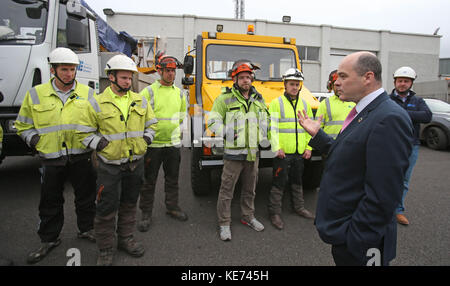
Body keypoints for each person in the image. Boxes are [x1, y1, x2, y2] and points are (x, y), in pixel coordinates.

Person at [297, 51, 413, 266]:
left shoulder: (388, 118)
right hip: (348, 233)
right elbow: (351, 156)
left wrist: (356, 238)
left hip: (362, 242)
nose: (336, 82)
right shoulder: (366, 111)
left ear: (367, 77)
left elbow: (384, 195)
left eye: (343, 76)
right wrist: (319, 135)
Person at [15, 47, 97, 264]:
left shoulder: (88, 94)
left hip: (81, 156)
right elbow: (22, 125)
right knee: (50, 201)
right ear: (53, 70)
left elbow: (99, 123)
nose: (69, 74)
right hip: (51, 158)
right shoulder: (35, 94)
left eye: (72, 69)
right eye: (64, 69)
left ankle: (87, 229)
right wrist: (35, 140)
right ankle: (49, 239)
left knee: (86, 197)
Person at [78, 54, 157, 266]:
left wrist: (146, 140)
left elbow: (152, 124)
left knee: (130, 204)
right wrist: (101, 145)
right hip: (109, 166)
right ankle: (105, 249)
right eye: (123, 78)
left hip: (135, 164)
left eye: (129, 78)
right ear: (111, 77)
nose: (128, 82)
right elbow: (83, 133)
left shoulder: (140, 100)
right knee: (106, 208)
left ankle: (126, 239)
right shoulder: (97, 102)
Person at [208, 59, 269, 241]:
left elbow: (265, 120)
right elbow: (213, 121)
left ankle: (247, 217)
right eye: (241, 77)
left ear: (252, 79)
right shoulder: (224, 98)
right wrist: (226, 132)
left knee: (250, 189)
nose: (245, 80)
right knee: (227, 190)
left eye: (248, 77)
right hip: (233, 155)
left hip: (253, 153)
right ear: (235, 79)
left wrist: (264, 136)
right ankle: (224, 223)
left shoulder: (259, 99)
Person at [137, 53, 188, 232]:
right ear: (160, 71)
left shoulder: (181, 94)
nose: (171, 74)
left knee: (172, 179)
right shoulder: (148, 92)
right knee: (149, 181)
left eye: (173, 71)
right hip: (153, 145)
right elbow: (139, 117)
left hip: (172, 145)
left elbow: (182, 117)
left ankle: (172, 207)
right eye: (168, 71)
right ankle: (145, 213)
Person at [267, 68, 314, 230]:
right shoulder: (276, 103)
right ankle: (274, 213)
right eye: (292, 84)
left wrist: (309, 148)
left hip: (299, 152)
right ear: (285, 85)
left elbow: (310, 129)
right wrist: (276, 147)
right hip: (283, 153)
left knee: (297, 180)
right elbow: (271, 128)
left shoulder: (305, 105)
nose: (295, 87)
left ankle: (299, 208)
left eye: (297, 84)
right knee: (279, 182)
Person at [389, 66, 432, 226]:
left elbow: (427, 116)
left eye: (406, 81)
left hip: (410, 146)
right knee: (386, 177)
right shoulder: (387, 99)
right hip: (390, 145)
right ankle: (384, 208)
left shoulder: (418, 101)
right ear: (395, 82)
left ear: (411, 83)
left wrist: (401, 113)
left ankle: (398, 210)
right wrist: (411, 115)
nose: (402, 84)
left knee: (404, 180)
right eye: (400, 81)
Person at [316, 70, 355, 140]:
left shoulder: (354, 102)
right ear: (330, 86)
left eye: (341, 83)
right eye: (336, 84)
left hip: (349, 146)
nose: (339, 87)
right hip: (329, 147)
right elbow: (317, 129)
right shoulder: (325, 103)